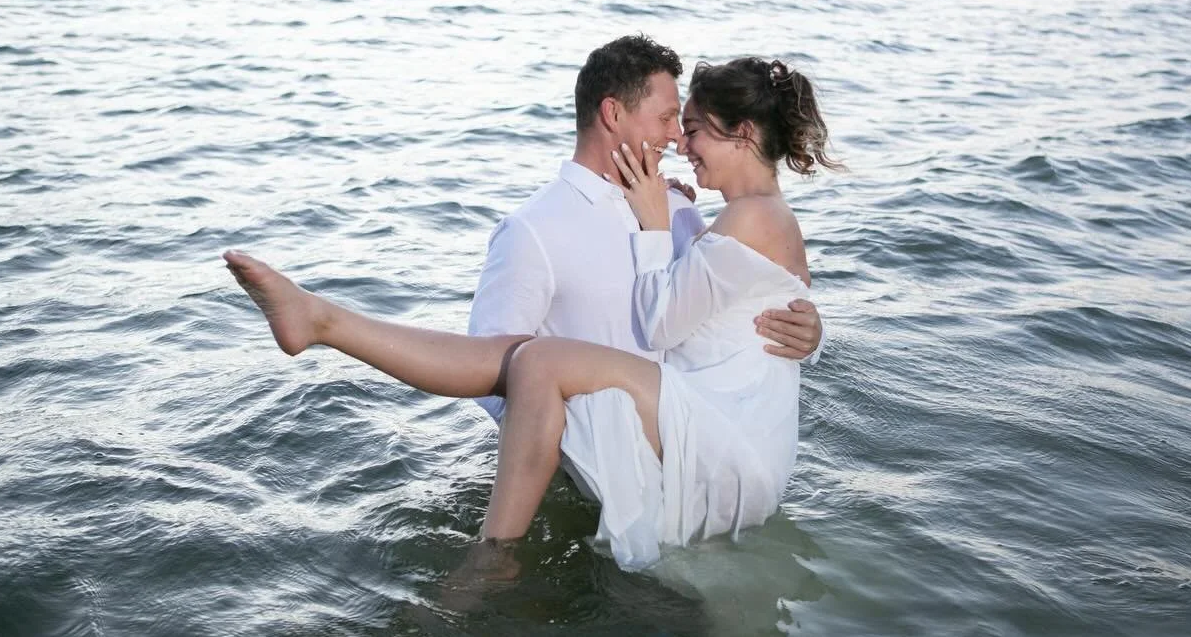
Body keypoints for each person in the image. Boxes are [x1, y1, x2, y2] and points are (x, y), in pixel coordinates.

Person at [224, 39, 836, 569]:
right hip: (606, 450)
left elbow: (740, 317)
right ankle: (322, 321)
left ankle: (327, 324)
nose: (678, 138)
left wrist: (809, 335)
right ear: (613, 114)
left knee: (536, 359)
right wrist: (565, 439)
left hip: (689, 446)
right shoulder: (535, 230)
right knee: (520, 358)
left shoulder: (681, 212)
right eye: (669, 118)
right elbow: (494, 383)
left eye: (687, 123)